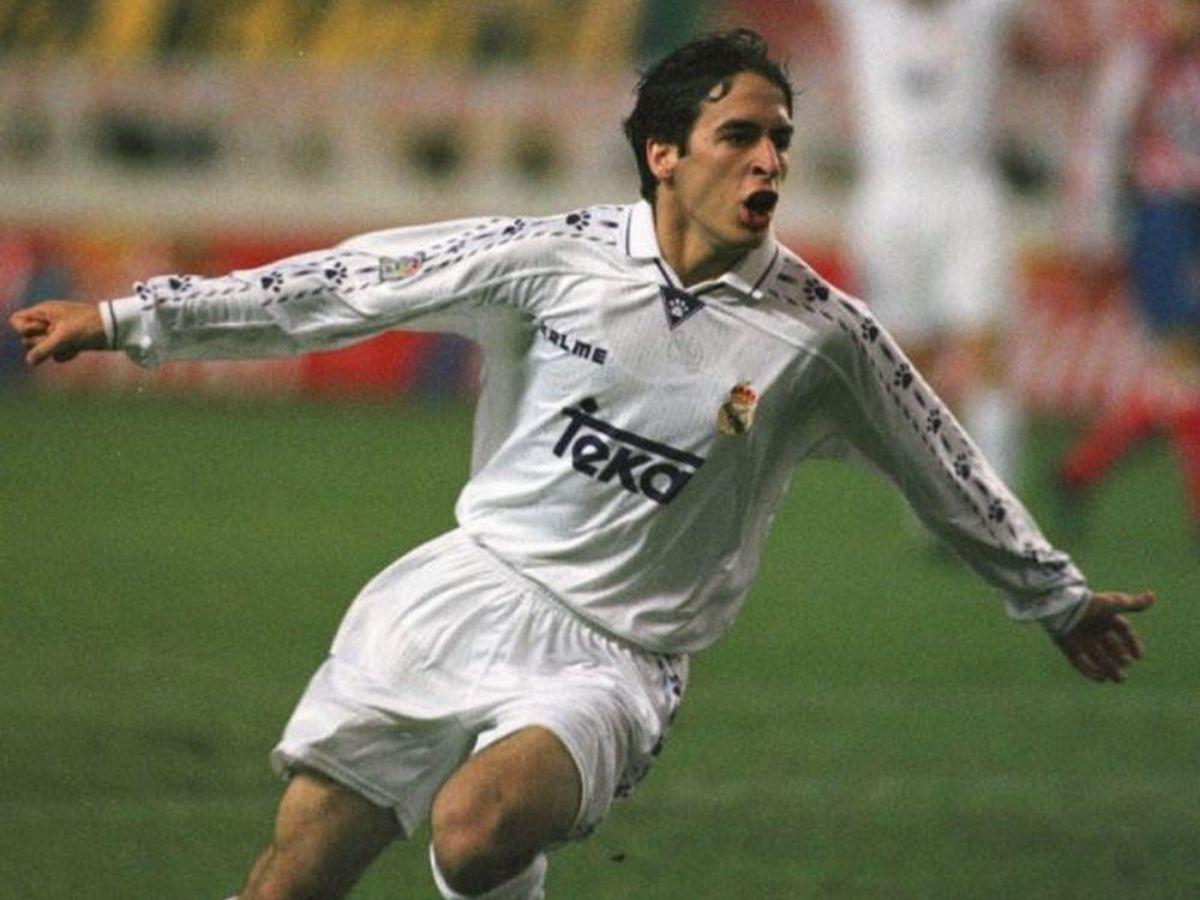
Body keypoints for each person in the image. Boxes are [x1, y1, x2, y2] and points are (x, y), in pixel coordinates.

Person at [9, 29, 1154, 900]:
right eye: (740, 137)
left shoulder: (823, 337)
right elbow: (345, 286)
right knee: (289, 883)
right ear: (664, 154)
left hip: (614, 657)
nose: (769, 162)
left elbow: (942, 460)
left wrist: (1053, 596)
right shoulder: (549, 258)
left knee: (477, 831)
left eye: (782, 142)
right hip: (460, 596)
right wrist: (129, 318)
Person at [825, 0, 1027, 494]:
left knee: (984, 343)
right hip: (890, 196)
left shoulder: (980, 11)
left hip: (966, 189)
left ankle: (998, 503)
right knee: (911, 361)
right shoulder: (867, 12)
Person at [1057, 0, 1200, 536]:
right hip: (1164, 217)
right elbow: (1102, 143)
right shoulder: (1141, 61)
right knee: (1185, 360)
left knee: (1178, 377)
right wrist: (1091, 233)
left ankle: (1080, 469)